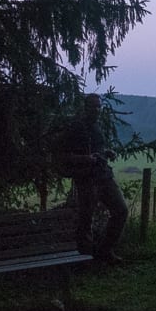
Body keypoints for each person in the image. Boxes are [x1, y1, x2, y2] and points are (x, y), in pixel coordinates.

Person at [59, 93, 129, 263]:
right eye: (93, 106)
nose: (97, 110)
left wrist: (107, 152)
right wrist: (85, 159)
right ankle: (86, 258)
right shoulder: (75, 128)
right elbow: (62, 155)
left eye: (99, 106)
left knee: (121, 210)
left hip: (104, 175)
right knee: (86, 219)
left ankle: (104, 251)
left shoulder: (96, 127)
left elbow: (99, 149)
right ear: (85, 107)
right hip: (86, 179)